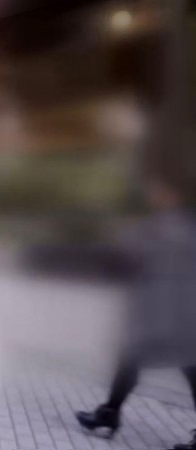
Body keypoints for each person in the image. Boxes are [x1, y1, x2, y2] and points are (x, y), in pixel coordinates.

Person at [76, 173, 196, 450]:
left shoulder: (168, 227)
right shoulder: (180, 226)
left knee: (181, 366)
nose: (153, 197)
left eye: (159, 192)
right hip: (172, 313)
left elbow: (130, 259)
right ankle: (109, 413)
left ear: (173, 196)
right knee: (134, 360)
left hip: (170, 314)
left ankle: (109, 414)